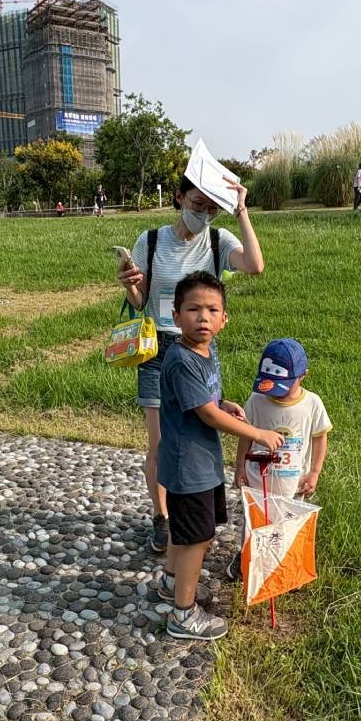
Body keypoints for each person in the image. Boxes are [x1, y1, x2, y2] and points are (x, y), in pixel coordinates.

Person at [128, 274, 280, 642]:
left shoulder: (207, 351)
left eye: (212, 310)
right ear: (175, 316)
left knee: (185, 530)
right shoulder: (181, 359)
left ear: (224, 318)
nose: (203, 317)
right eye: (193, 309)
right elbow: (206, 415)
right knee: (196, 538)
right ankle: (184, 614)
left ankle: (171, 582)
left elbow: (208, 401)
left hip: (200, 461)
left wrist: (223, 403)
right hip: (189, 465)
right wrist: (257, 433)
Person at [115, 181, 264, 543]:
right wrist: (128, 282)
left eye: (212, 208)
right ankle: (162, 516)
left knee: (198, 435)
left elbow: (254, 265)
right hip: (158, 350)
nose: (204, 214)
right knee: (161, 442)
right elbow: (140, 300)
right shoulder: (151, 240)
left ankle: (194, 512)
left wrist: (240, 210)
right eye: (198, 204)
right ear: (179, 198)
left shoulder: (217, 240)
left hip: (199, 351)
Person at [237, 338, 335, 511]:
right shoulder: (257, 399)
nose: (274, 391)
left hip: (294, 485)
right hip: (256, 484)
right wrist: (240, 467)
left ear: (303, 375)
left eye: (281, 386)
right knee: (256, 523)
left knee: (287, 525)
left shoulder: (312, 403)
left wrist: (315, 472)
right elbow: (246, 435)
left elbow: (320, 437)